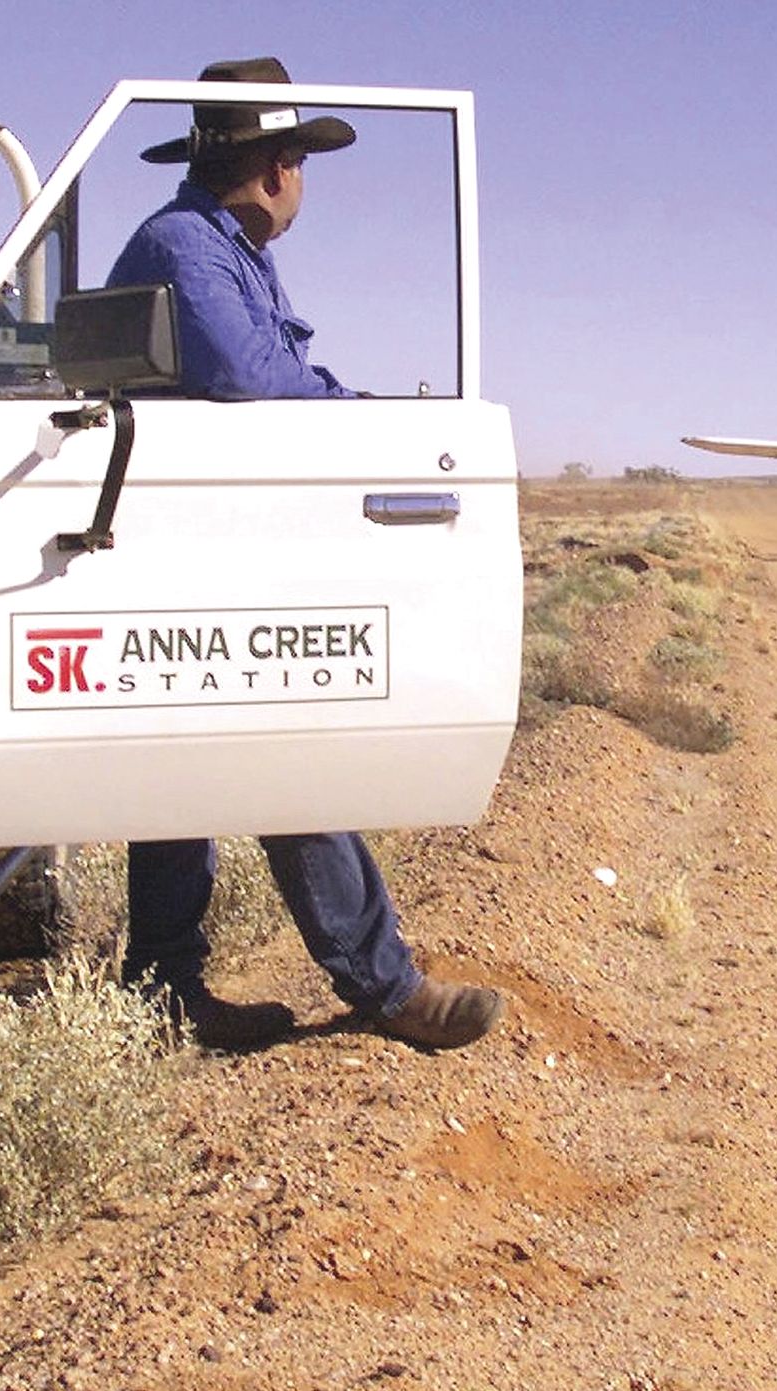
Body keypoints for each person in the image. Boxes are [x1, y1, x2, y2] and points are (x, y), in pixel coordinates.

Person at [104, 57, 504, 1052]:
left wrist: (338, 404)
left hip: (185, 543)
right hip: (176, 541)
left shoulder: (221, 244)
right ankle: (386, 988)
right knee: (287, 753)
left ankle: (162, 996)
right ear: (277, 163)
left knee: (186, 769)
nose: (301, 184)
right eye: (298, 162)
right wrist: (353, 418)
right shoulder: (186, 244)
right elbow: (250, 375)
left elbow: (268, 368)